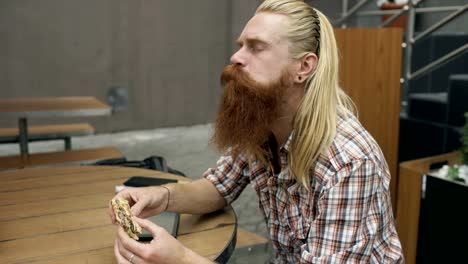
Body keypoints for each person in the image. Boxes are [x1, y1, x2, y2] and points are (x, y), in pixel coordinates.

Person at [109, 0, 404, 263]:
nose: (237, 57)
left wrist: (180, 259)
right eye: (240, 45)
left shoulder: (350, 162)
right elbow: (219, 187)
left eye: (256, 47)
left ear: (303, 67)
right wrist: (161, 197)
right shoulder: (263, 120)